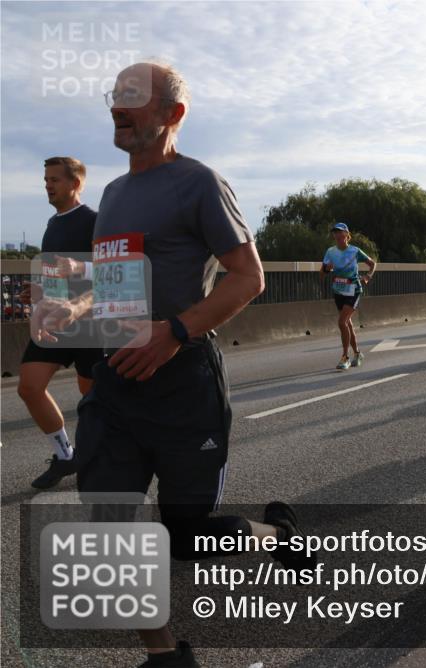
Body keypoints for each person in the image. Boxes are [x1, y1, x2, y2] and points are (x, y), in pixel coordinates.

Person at [32, 62, 314, 668]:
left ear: (172, 114)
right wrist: (73, 306)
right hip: (115, 387)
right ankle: (165, 657)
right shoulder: (111, 194)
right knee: (108, 528)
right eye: (115, 95)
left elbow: (249, 278)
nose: (117, 106)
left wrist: (176, 331)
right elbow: (115, 285)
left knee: (188, 535)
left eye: (133, 97)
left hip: (184, 383)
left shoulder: (200, 183)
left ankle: (277, 535)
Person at [18, 156, 103, 489]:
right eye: (46, 179)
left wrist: (81, 272)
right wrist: (39, 290)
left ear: (75, 183)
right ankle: (66, 455)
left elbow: (115, 271)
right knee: (29, 386)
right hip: (55, 319)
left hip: (89, 322)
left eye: (54, 179)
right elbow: (57, 277)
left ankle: (99, 456)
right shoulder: (53, 225)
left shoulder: (95, 220)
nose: (47, 185)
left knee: (92, 399)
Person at [321, 222, 376, 369]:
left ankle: (345, 357)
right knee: (347, 324)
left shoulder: (355, 251)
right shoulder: (330, 251)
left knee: (341, 322)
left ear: (346, 234)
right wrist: (327, 268)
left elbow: (372, 264)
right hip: (339, 291)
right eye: (335, 232)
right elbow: (322, 273)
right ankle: (357, 353)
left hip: (354, 290)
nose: (337, 235)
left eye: (340, 232)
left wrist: (367, 277)